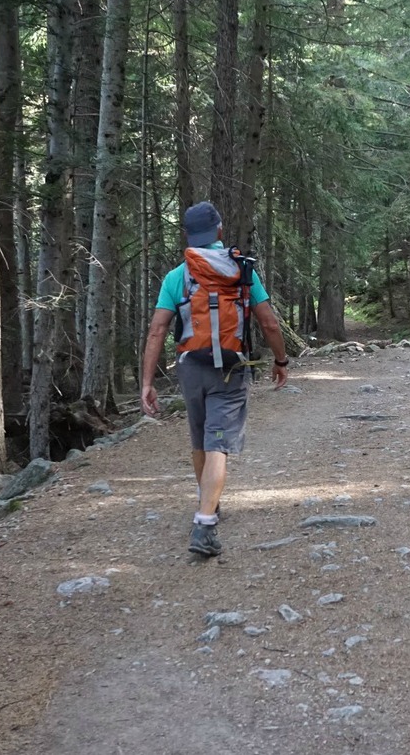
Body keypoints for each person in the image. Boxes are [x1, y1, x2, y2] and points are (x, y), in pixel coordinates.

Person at [140, 201, 290, 557]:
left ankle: (209, 503)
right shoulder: (242, 271)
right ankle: (205, 522)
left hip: (190, 365)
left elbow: (157, 331)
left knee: (199, 438)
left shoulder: (177, 276)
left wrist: (146, 382)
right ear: (219, 231)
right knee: (217, 444)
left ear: (190, 237)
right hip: (231, 368)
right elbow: (268, 322)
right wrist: (281, 360)